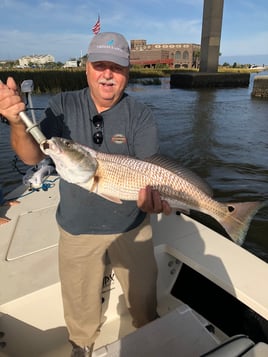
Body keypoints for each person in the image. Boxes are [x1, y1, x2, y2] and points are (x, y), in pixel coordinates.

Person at [0, 32, 171, 356]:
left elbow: (151, 172)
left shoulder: (141, 114)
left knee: (145, 303)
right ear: (87, 68)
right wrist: (17, 123)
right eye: (99, 65)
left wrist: (156, 200)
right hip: (76, 229)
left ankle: (151, 337)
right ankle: (82, 347)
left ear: (127, 72)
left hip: (132, 228)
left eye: (116, 67)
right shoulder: (62, 105)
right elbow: (32, 157)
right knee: (80, 315)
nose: (107, 74)